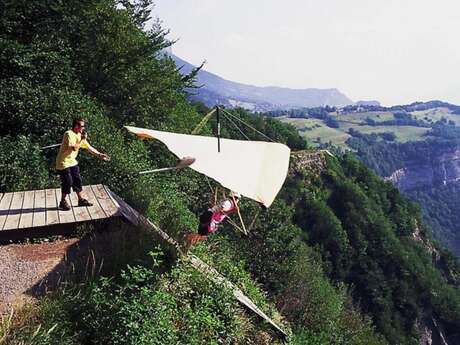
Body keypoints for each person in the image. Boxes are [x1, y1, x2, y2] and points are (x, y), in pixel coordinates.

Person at [55, 117, 110, 211]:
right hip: (63, 162)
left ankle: (80, 200)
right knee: (68, 182)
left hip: (72, 162)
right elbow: (74, 148)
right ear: (76, 126)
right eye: (82, 126)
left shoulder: (80, 135)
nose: (83, 128)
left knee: (77, 180)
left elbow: (89, 147)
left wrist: (99, 155)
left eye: (83, 126)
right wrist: (81, 139)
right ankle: (62, 202)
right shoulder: (68, 134)